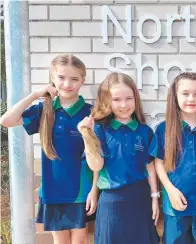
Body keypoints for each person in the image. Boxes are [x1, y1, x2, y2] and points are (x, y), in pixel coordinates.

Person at [0, 54, 98, 244]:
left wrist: (94, 189)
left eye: (74, 79)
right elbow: (6, 120)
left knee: (80, 239)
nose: (67, 84)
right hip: (53, 189)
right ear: (52, 78)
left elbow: (96, 154)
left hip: (81, 189)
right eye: (61, 78)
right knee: (60, 241)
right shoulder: (45, 109)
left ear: (82, 81)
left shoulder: (91, 112)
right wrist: (36, 95)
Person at [78, 72, 160, 244]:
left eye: (129, 98)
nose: (124, 105)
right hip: (111, 200)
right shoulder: (100, 129)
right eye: (116, 100)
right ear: (107, 101)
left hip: (140, 199)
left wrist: (154, 198)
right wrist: (87, 136)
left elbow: (150, 167)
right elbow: (96, 166)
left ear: (136, 99)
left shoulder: (145, 131)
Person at [149, 72, 196, 244]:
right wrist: (169, 190)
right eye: (185, 93)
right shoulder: (164, 129)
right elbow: (158, 162)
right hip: (175, 203)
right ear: (175, 97)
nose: (191, 98)